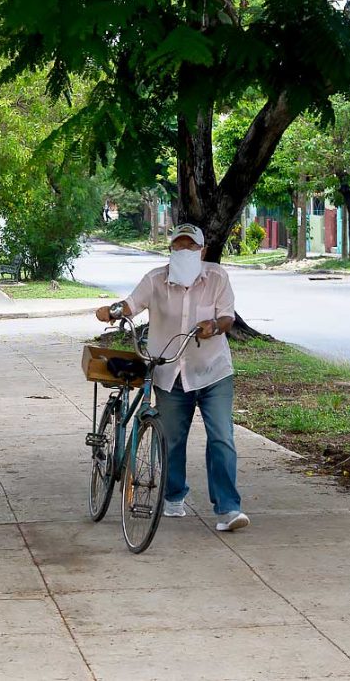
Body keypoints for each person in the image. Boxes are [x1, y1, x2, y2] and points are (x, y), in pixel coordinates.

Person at [95, 223, 248, 532]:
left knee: (221, 437)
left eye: (191, 247)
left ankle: (228, 508)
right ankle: (174, 494)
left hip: (212, 370)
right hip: (168, 370)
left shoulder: (217, 277)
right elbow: (131, 304)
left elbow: (227, 317)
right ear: (170, 251)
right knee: (172, 439)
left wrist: (214, 327)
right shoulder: (155, 279)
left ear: (202, 251)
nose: (184, 252)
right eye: (178, 246)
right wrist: (112, 310)